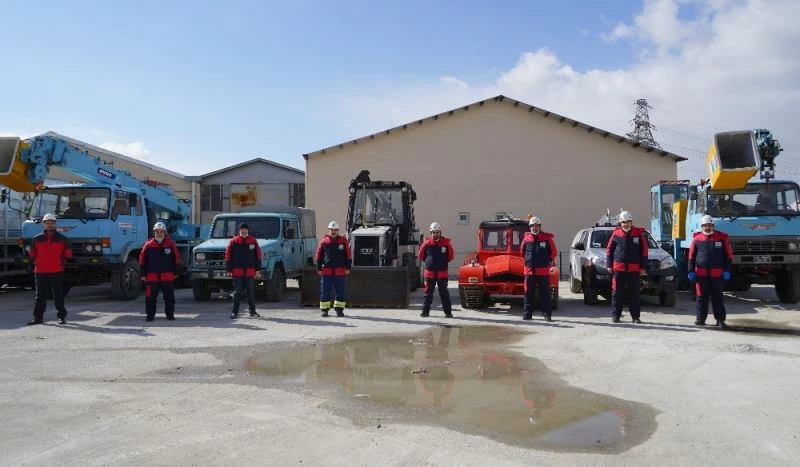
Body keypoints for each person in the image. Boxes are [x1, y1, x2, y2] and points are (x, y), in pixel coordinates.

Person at [688, 215, 733, 329]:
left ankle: (720, 320)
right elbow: (691, 257)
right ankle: (700, 319)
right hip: (701, 275)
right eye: (705, 225)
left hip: (717, 275)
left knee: (717, 297)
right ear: (702, 226)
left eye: (709, 225)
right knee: (701, 297)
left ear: (713, 225)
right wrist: (690, 270)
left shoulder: (721, 238)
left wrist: (727, 270)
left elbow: (728, 256)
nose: (707, 227)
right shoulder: (697, 238)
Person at [27, 213, 72, 325]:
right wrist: (35, 262)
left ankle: (61, 317)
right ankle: (37, 318)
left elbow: (68, 254)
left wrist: (62, 262)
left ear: (55, 224)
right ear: (44, 224)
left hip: (56, 270)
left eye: (52, 223)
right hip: (41, 271)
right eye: (47, 223)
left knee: (58, 295)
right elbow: (32, 253)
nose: (50, 225)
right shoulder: (37, 239)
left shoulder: (62, 239)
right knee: (40, 296)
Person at [605, 210, 648, 324]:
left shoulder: (638, 234)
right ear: (620, 223)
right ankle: (616, 316)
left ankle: (635, 317)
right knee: (616, 294)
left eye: (628, 222)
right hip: (618, 269)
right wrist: (609, 265)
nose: (626, 224)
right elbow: (609, 250)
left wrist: (643, 267)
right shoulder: (616, 234)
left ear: (631, 221)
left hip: (633, 270)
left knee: (634, 294)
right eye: (623, 222)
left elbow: (644, 252)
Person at [139, 222, 182, 322]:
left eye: (161, 231)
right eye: (157, 231)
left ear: (164, 232)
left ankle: (170, 315)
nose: (159, 233)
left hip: (167, 277)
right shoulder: (148, 245)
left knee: (169, 297)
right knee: (150, 298)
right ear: (154, 232)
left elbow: (177, 259)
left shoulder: (170, 244)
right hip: (152, 277)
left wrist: (175, 273)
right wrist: (142, 274)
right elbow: (142, 260)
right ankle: (150, 316)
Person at [520, 216, 557, 322]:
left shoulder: (547, 238)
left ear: (539, 227)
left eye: (536, 226)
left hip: (543, 271)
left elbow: (553, 252)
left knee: (545, 294)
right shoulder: (526, 239)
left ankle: (547, 315)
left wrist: (545, 261)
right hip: (529, 272)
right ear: (530, 227)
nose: (534, 228)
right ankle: (527, 315)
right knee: (528, 294)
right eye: (532, 226)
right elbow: (522, 253)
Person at [225, 222, 262, 319]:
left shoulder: (253, 241)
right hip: (237, 273)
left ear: (248, 231)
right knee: (237, 293)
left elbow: (258, 256)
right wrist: (229, 270)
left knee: (250, 293)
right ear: (239, 231)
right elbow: (228, 256)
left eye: (246, 231)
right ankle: (234, 312)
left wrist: (258, 270)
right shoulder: (233, 242)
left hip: (250, 272)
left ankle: (252, 312)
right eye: (243, 231)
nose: (244, 232)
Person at [315, 221, 351, 317]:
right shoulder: (324, 242)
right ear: (329, 230)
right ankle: (324, 310)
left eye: (335, 230)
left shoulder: (343, 241)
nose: (334, 231)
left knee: (340, 291)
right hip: (327, 271)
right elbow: (318, 255)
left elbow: (348, 255)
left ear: (338, 231)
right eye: (332, 230)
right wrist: (318, 267)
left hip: (340, 272)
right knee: (325, 291)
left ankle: (339, 310)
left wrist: (348, 267)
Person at [419, 222, 455, 318]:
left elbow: (451, 256)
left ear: (440, 232)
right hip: (430, 273)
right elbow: (421, 255)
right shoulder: (426, 243)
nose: (436, 234)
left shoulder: (446, 243)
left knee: (444, 294)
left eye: (437, 232)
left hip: (442, 273)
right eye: (434, 232)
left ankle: (448, 313)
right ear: (431, 233)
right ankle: (425, 312)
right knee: (428, 294)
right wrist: (429, 262)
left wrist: (442, 262)